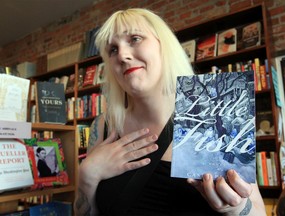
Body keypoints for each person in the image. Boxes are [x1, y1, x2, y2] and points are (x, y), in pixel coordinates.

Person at [74, 8, 266, 216]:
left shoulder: (215, 116)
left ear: (163, 45)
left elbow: (258, 211)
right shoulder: (103, 126)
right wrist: (87, 175)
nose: (122, 55)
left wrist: (237, 208)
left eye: (135, 39)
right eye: (112, 50)